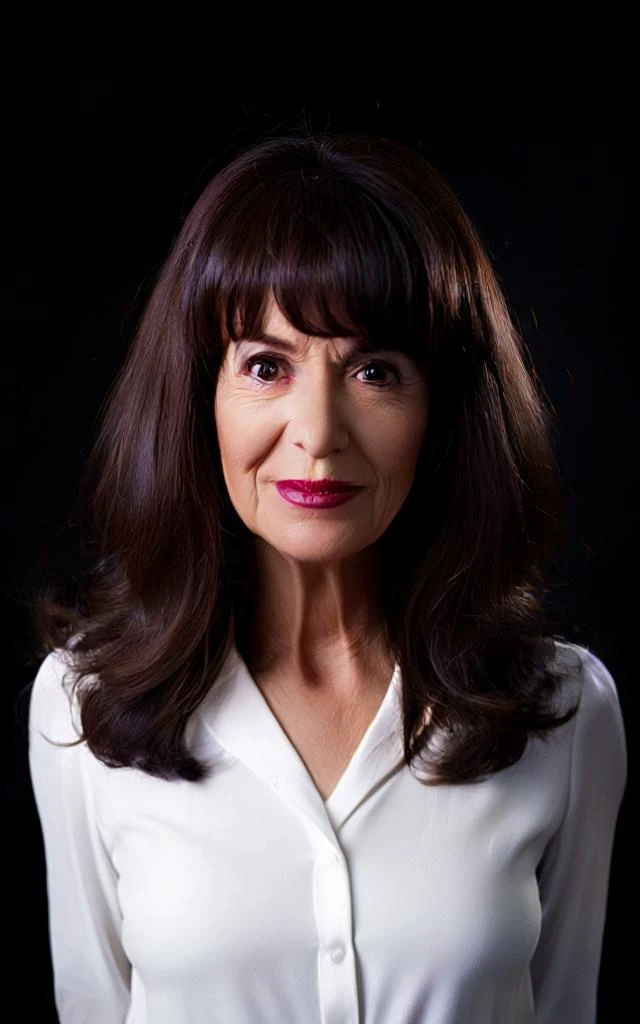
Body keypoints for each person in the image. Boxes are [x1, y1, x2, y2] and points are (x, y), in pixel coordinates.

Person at [27, 131, 627, 1024]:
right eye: (266, 366)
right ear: (202, 398)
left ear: (443, 413)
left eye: (375, 371)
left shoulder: (565, 711)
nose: (317, 429)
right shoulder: (83, 708)